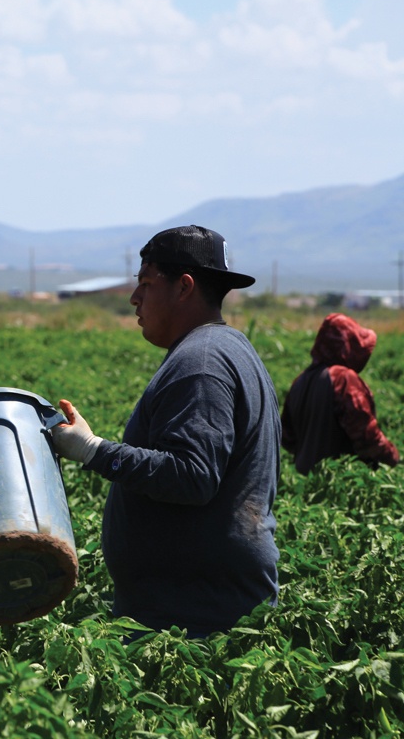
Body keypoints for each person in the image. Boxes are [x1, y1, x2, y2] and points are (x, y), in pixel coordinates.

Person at [51, 225, 280, 636]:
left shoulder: (202, 362)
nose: (134, 297)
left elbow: (192, 475)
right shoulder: (224, 349)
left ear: (184, 287)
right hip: (194, 603)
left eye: (146, 283)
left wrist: (92, 450)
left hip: (196, 616)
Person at [281, 313, 399, 473]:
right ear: (347, 345)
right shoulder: (342, 378)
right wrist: (393, 458)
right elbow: (366, 436)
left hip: (306, 480)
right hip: (341, 480)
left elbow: (287, 438)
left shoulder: (300, 381)